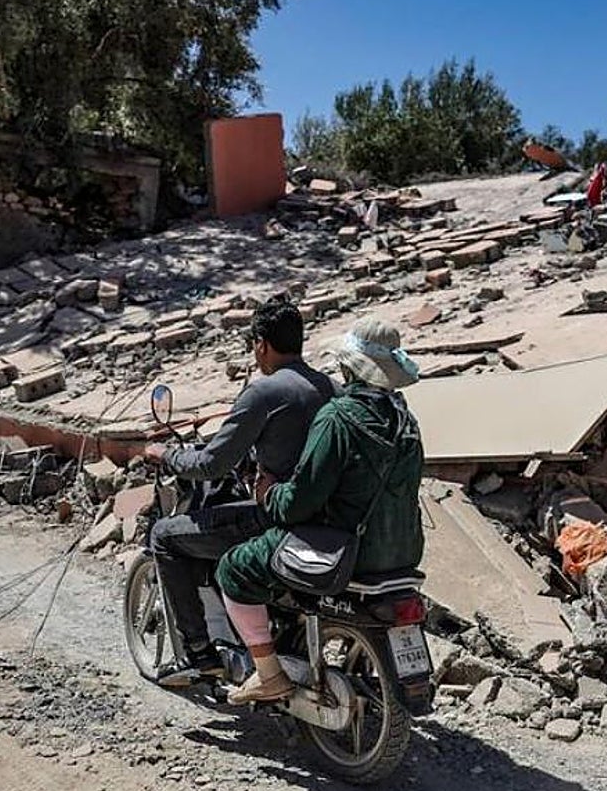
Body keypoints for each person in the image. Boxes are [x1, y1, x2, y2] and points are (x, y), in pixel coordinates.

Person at [215, 316, 425, 704]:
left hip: (347, 553)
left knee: (234, 567)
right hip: (403, 552)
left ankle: (268, 674)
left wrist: (269, 494)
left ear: (349, 367)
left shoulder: (338, 418)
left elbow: (299, 502)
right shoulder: (406, 421)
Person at [144, 296, 335, 687]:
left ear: (261, 344)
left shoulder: (263, 393)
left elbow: (211, 464)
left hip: (278, 517)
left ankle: (199, 654)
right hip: (328, 517)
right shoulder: (332, 387)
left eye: (254, 344)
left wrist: (167, 455)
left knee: (164, 536)